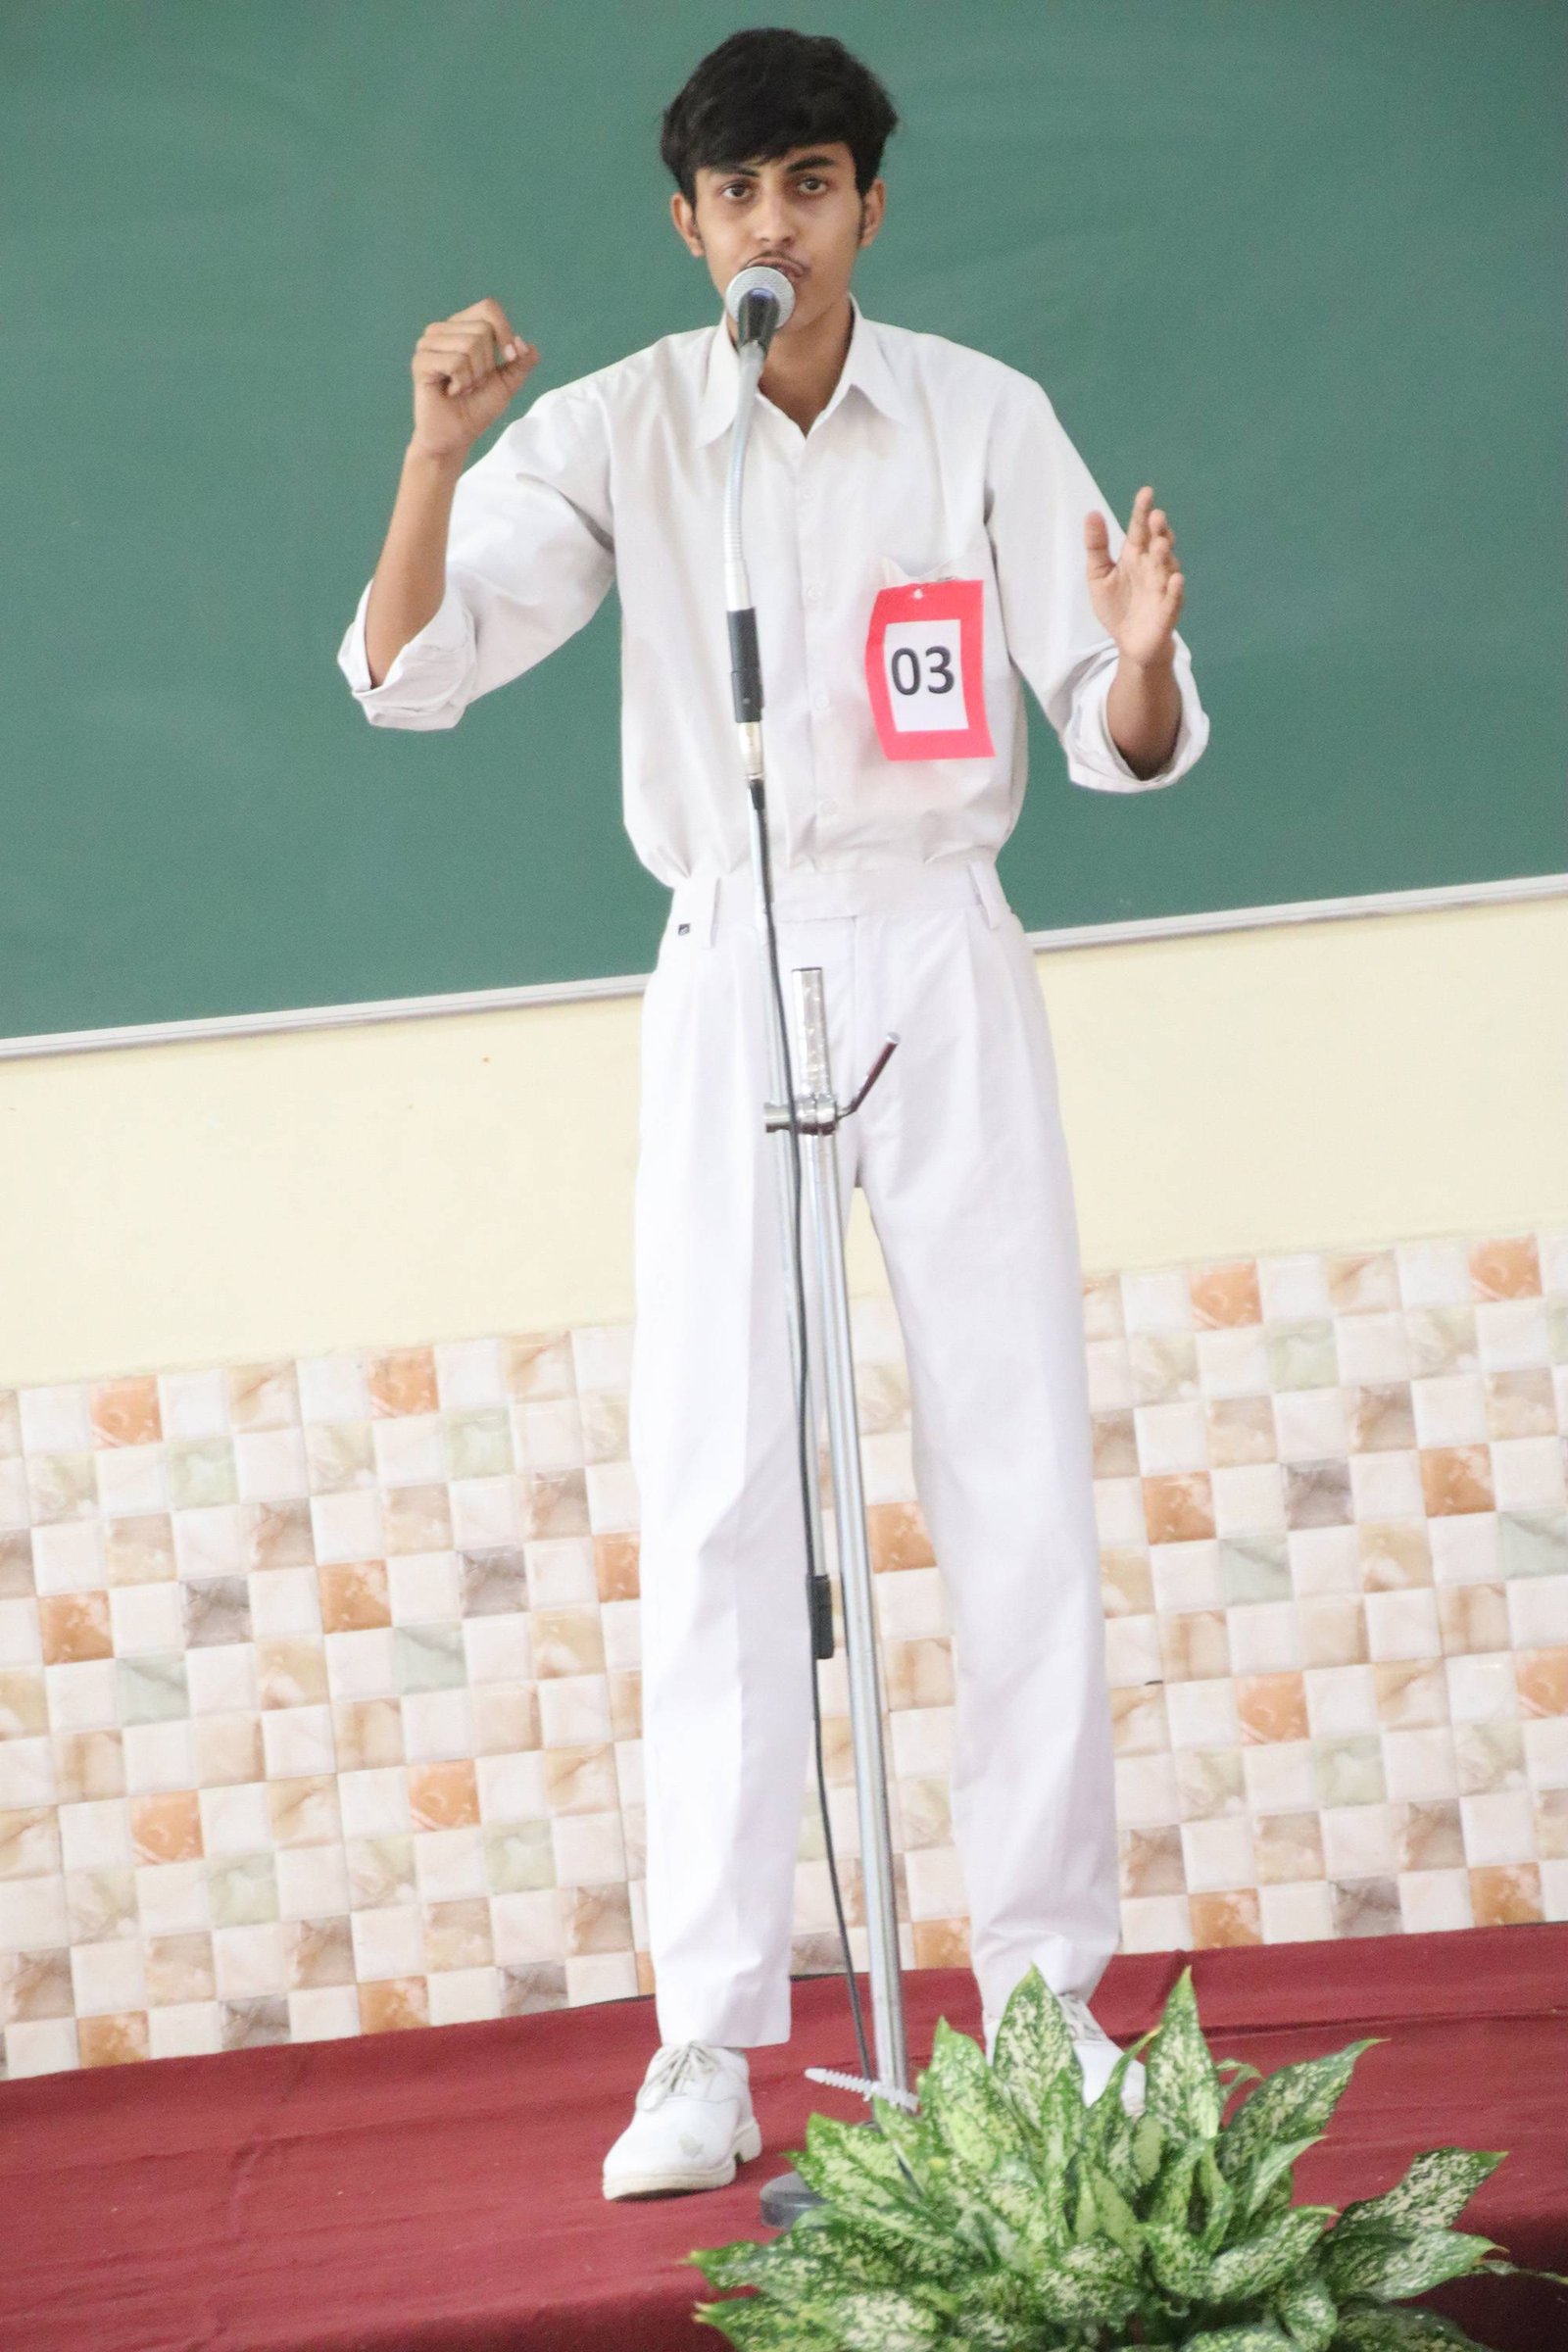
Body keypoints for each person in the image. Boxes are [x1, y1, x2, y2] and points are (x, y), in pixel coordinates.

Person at [337, 26, 1210, 2202]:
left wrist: (1130, 653)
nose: (772, 226)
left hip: (936, 946)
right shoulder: (629, 426)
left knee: (1012, 1469)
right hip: (731, 957)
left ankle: (1045, 2005)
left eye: (809, 185)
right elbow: (413, 673)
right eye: (736, 194)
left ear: (865, 207)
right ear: (687, 223)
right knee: (722, 1488)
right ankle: (709, 2045)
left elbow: (1115, 724)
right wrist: (435, 461)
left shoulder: (983, 416)